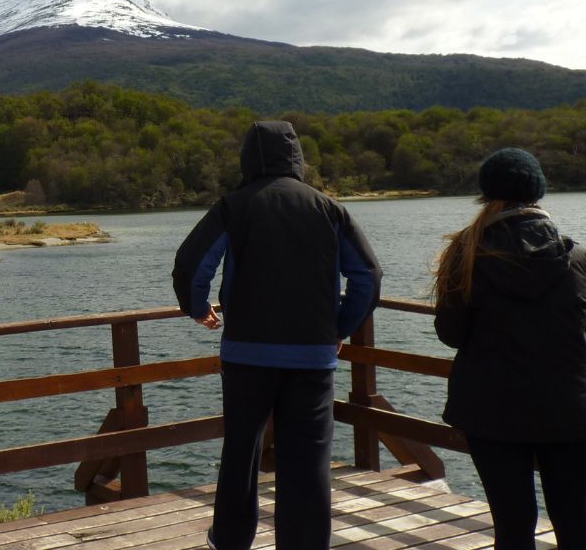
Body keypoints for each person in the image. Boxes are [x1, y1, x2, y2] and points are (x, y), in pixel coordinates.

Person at [172, 120, 381, 550]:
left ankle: (229, 540)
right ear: (297, 158)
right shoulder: (329, 208)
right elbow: (368, 276)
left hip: (247, 356)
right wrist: (338, 328)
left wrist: (198, 309)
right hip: (312, 360)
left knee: (241, 453)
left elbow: (192, 264)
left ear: (248, 158)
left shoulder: (234, 205)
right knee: (308, 461)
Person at [433, 148, 586, 549]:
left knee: (513, 525)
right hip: (570, 411)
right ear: (538, 194)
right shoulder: (579, 260)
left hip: (490, 413)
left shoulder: (463, 258)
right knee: (576, 522)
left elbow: (450, 333)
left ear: (486, 195)